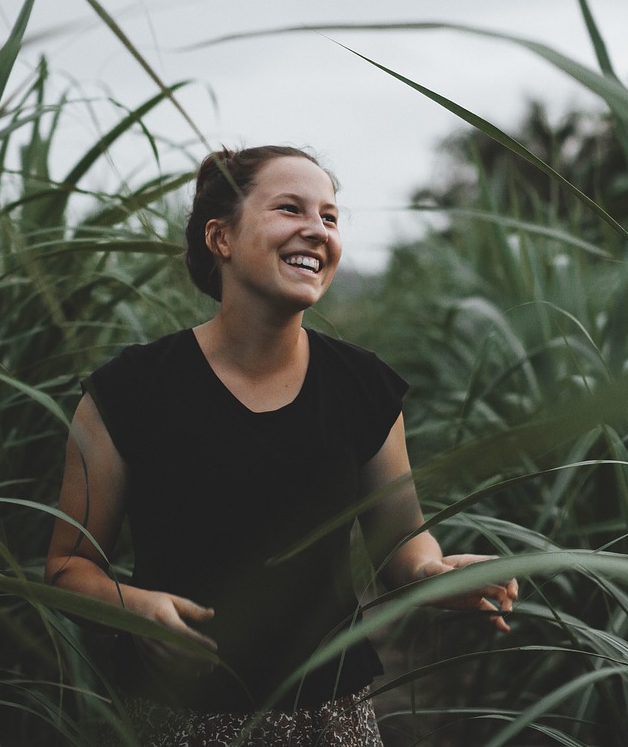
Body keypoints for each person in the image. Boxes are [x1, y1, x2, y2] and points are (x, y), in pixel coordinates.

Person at [45, 145, 518, 746]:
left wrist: (431, 571)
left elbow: (400, 537)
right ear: (221, 238)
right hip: (180, 721)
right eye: (290, 208)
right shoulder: (129, 392)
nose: (316, 231)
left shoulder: (362, 386)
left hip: (333, 718)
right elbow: (65, 567)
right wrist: (133, 609)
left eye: (329, 216)